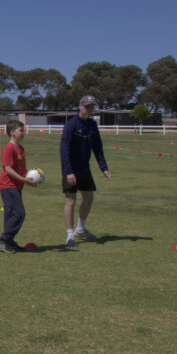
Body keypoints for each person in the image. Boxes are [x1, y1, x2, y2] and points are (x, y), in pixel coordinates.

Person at [59, 94, 110, 247]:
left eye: (92, 107)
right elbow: (64, 149)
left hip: (84, 169)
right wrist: (68, 171)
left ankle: (80, 229)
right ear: (80, 106)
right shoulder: (71, 125)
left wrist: (104, 167)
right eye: (87, 107)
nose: (90, 110)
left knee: (88, 198)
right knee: (71, 201)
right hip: (70, 169)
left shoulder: (92, 125)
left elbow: (98, 148)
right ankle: (69, 235)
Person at [0, 119, 37, 253]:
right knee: (19, 213)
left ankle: (9, 242)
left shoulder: (20, 148)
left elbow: (21, 169)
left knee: (10, 214)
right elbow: (8, 169)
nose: (23, 133)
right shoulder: (9, 148)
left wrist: (28, 180)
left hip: (17, 186)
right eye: (21, 130)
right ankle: (4, 239)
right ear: (13, 132)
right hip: (8, 186)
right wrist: (23, 179)